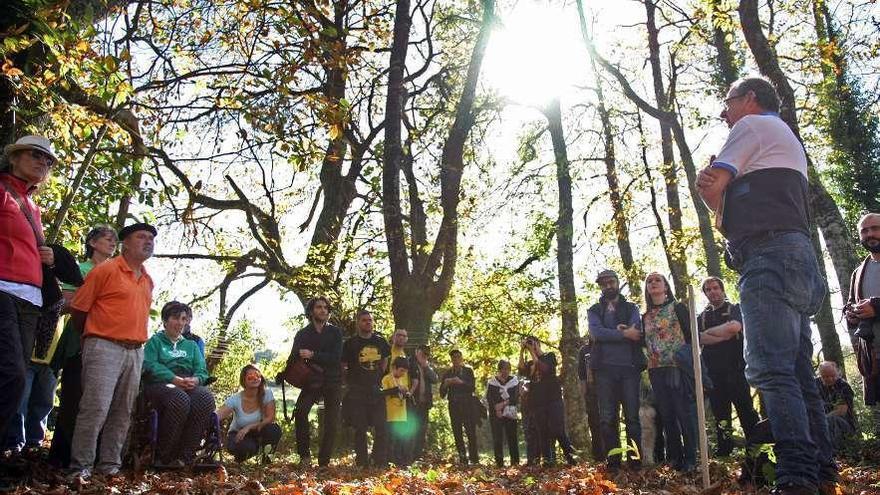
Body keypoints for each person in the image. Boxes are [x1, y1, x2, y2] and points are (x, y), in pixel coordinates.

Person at [697, 76, 837, 494]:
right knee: (796, 370)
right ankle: (822, 471)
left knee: (770, 371)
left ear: (750, 99)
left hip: (767, 258)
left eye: (728, 102)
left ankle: (796, 478)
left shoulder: (752, 126)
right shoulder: (786, 137)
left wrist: (715, 192)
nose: (724, 112)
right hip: (797, 257)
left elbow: (712, 189)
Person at [67, 222, 156, 479]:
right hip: (104, 346)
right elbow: (79, 309)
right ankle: (81, 467)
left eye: (151, 238)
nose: (148, 241)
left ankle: (109, 466)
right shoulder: (105, 270)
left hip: (136, 350)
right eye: (141, 236)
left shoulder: (148, 280)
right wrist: (94, 338)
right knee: (95, 408)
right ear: (125, 243)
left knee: (122, 411)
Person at [0, 136, 58, 448]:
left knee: (16, 378)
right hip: (3, 292)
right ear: (14, 157)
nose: (42, 163)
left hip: (30, 300)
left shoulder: (32, 206)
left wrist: (43, 254)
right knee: (12, 375)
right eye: (36, 155)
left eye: (48, 161)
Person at [48, 225, 117, 467]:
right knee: (73, 397)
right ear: (92, 242)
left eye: (114, 240)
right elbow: (65, 304)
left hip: (110, 345)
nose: (112, 243)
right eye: (107, 239)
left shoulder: (118, 273)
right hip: (78, 340)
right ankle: (61, 457)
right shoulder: (80, 270)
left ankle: (92, 456)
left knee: (99, 402)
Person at [142, 300, 214, 466]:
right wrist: (173, 379)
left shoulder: (191, 345)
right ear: (165, 321)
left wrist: (195, 379)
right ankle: (163, 455)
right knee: (179, 399)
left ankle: (185, 456)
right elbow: (150, 365)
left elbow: (202, 370)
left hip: (188, 382)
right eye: (176, 318)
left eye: (183, 319)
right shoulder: (155, 342)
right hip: (161, 383)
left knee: (205, 398)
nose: (180, 323)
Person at [587, 269, 643, 470]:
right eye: (604, 283)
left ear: (617, 283)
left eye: (611, 282)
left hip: (629, 369)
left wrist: (624, 332)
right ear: (600, 286)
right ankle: (613, 463)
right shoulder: (594, 310)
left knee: (633, 419)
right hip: (604, 370)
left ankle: (635, 462)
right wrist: (622, 333)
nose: (608, 286)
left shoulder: (631, 307)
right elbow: (596, 333)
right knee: (607, 419)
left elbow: (636, 332)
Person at [641, 272, 698, 472]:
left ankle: (691, 458)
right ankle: (675, 458)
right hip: (656, 370)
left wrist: (686, 362)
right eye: (649, 281)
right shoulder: (645, 316)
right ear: (646, 289)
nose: (653, 283)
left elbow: (692, 337)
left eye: (658, 280)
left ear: (666, 286)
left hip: (678, 368)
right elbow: (645, 342)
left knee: (684, 413)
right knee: (667, 414)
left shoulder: (678, 307)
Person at [697, 276, 759, 456]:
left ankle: (756, 450)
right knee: (720, 417)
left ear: (722, 290)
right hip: (713, 374)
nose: (712, 292)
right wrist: (721, 335)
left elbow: (734, 328)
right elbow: (698, 337)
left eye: (716, 287)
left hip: (736, 369)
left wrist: (711, 334)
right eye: (708, 290)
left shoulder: (735, 309)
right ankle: (724, 454)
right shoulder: (702, 317)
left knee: (746, 411)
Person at [288, 296, 342, 467]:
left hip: (332, 381)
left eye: (326, 308)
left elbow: (336, 358)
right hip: (311, 381)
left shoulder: (335, 332)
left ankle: (324, 461)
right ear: (311, 311)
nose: (323, 310)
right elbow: (294, 356)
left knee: (331, 421)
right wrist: (284, 372)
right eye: (319, 307)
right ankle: (304, 456)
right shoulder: (302, 334)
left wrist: (313, 355)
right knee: (301, 412)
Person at [845, 212, 880, 437]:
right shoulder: (858, 272)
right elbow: (850, 304)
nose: (870, 234)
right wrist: (852, 314)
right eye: (864, 231)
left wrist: (876, 306)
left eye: (875, 228)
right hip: (874, 356)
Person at [341, 309, 390, 468]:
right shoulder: (350, 343)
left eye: (370, 320)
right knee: (360, 429)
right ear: (358, 322)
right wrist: (350, 381)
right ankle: (362, 462)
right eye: (364, 320)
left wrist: (378, 376)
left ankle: (379, 461)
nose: (368, 322)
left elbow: (384, 361)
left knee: (381, 426)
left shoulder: (380, 342)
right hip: (357, 391)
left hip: (376, 389)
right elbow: (343, 365)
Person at [518, 337, 576, 467]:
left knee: (558, 429)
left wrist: (533, 351)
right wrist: (522, 351)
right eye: (530, 344)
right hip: (538, 402)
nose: (531, 346)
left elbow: (544, 369)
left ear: (538, 344)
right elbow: (521, 369)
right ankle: (548, 461)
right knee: (542, 431)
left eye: (533, 343)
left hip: (553, 399)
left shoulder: (550, 356)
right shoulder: (529, 363)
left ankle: (571, 458)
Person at [218, 364, 281, 463]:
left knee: (274, 429)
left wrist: (249, 427)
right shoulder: (235, 399)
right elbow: (217, 416)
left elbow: (270, 418)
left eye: (257, 375)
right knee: (246, 448)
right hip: (238, 433)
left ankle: (267, 462)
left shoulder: (267, 394)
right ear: (244, 381)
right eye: (250, 377)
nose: (255, 378)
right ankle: (240, 458)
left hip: (257, 431)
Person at [439, 349, 478, 465]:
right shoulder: (447, 374)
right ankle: (463, 459)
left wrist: (460, 382)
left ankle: (474, 459)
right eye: (453, 357)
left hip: (467, 405)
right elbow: (442, 394)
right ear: (451, 359)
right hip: (454, 406)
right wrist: (446, 384)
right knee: (457, 433)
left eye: (458, 357)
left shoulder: (468, 371)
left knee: (471, 432)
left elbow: (472, 388)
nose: (456, 359)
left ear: (461, 358)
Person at [815, 361, 856, 451]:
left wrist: (821, 420)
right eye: (825, 376)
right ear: (820, 375)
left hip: (843, 425)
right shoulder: (815, 385)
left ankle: (836, 453)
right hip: (819, 422)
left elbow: (841, 411)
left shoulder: (843, 386)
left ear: (837, 374)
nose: (829, 379)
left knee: (832, 420)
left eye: (832, 376)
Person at [486, 359, 520, 467]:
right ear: (499, 369)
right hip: (496, 414)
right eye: (503, 369)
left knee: (512, 437)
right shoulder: (492, 382)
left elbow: (516, 397)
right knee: (497, 438)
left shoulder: (514, 381)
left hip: (510, 412)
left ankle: (515, 462)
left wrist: (503, 404)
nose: (505, 371)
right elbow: (490, 398)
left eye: (507, 369)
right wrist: (497, 409)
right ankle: (499, 463)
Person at [576, 340, 606, 462]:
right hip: (591, 393)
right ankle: (598, 457)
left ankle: (613, 456)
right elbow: (581, 376)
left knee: (608, 423)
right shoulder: (584, 350)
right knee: (594, 425)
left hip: (606, 391)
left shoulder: (605, 346)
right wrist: (583, 396)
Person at [381, 357, 413, 466]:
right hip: (390, 415)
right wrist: (397, 389)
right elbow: (383, 393)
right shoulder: (386, 379)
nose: (403, 374)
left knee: (401, 441)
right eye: (401, 371)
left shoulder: (402, 379)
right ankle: (389, 462)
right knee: (390, 440)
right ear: (394, 368)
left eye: (405, 371)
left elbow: (405, 394)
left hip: (402, 416)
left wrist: (407, 394)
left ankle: (400, 462)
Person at [409, 344, 438, 460]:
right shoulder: (410, 362)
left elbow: (435, 379)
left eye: (426, 354)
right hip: (412, 403)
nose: (424, 356)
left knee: (422, 430)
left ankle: (417, 456)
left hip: (424, 404)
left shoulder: (427, 366)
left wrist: (425, 366)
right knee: (411, 430)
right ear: (416, 352)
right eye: (422, 353)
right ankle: (408, 456)